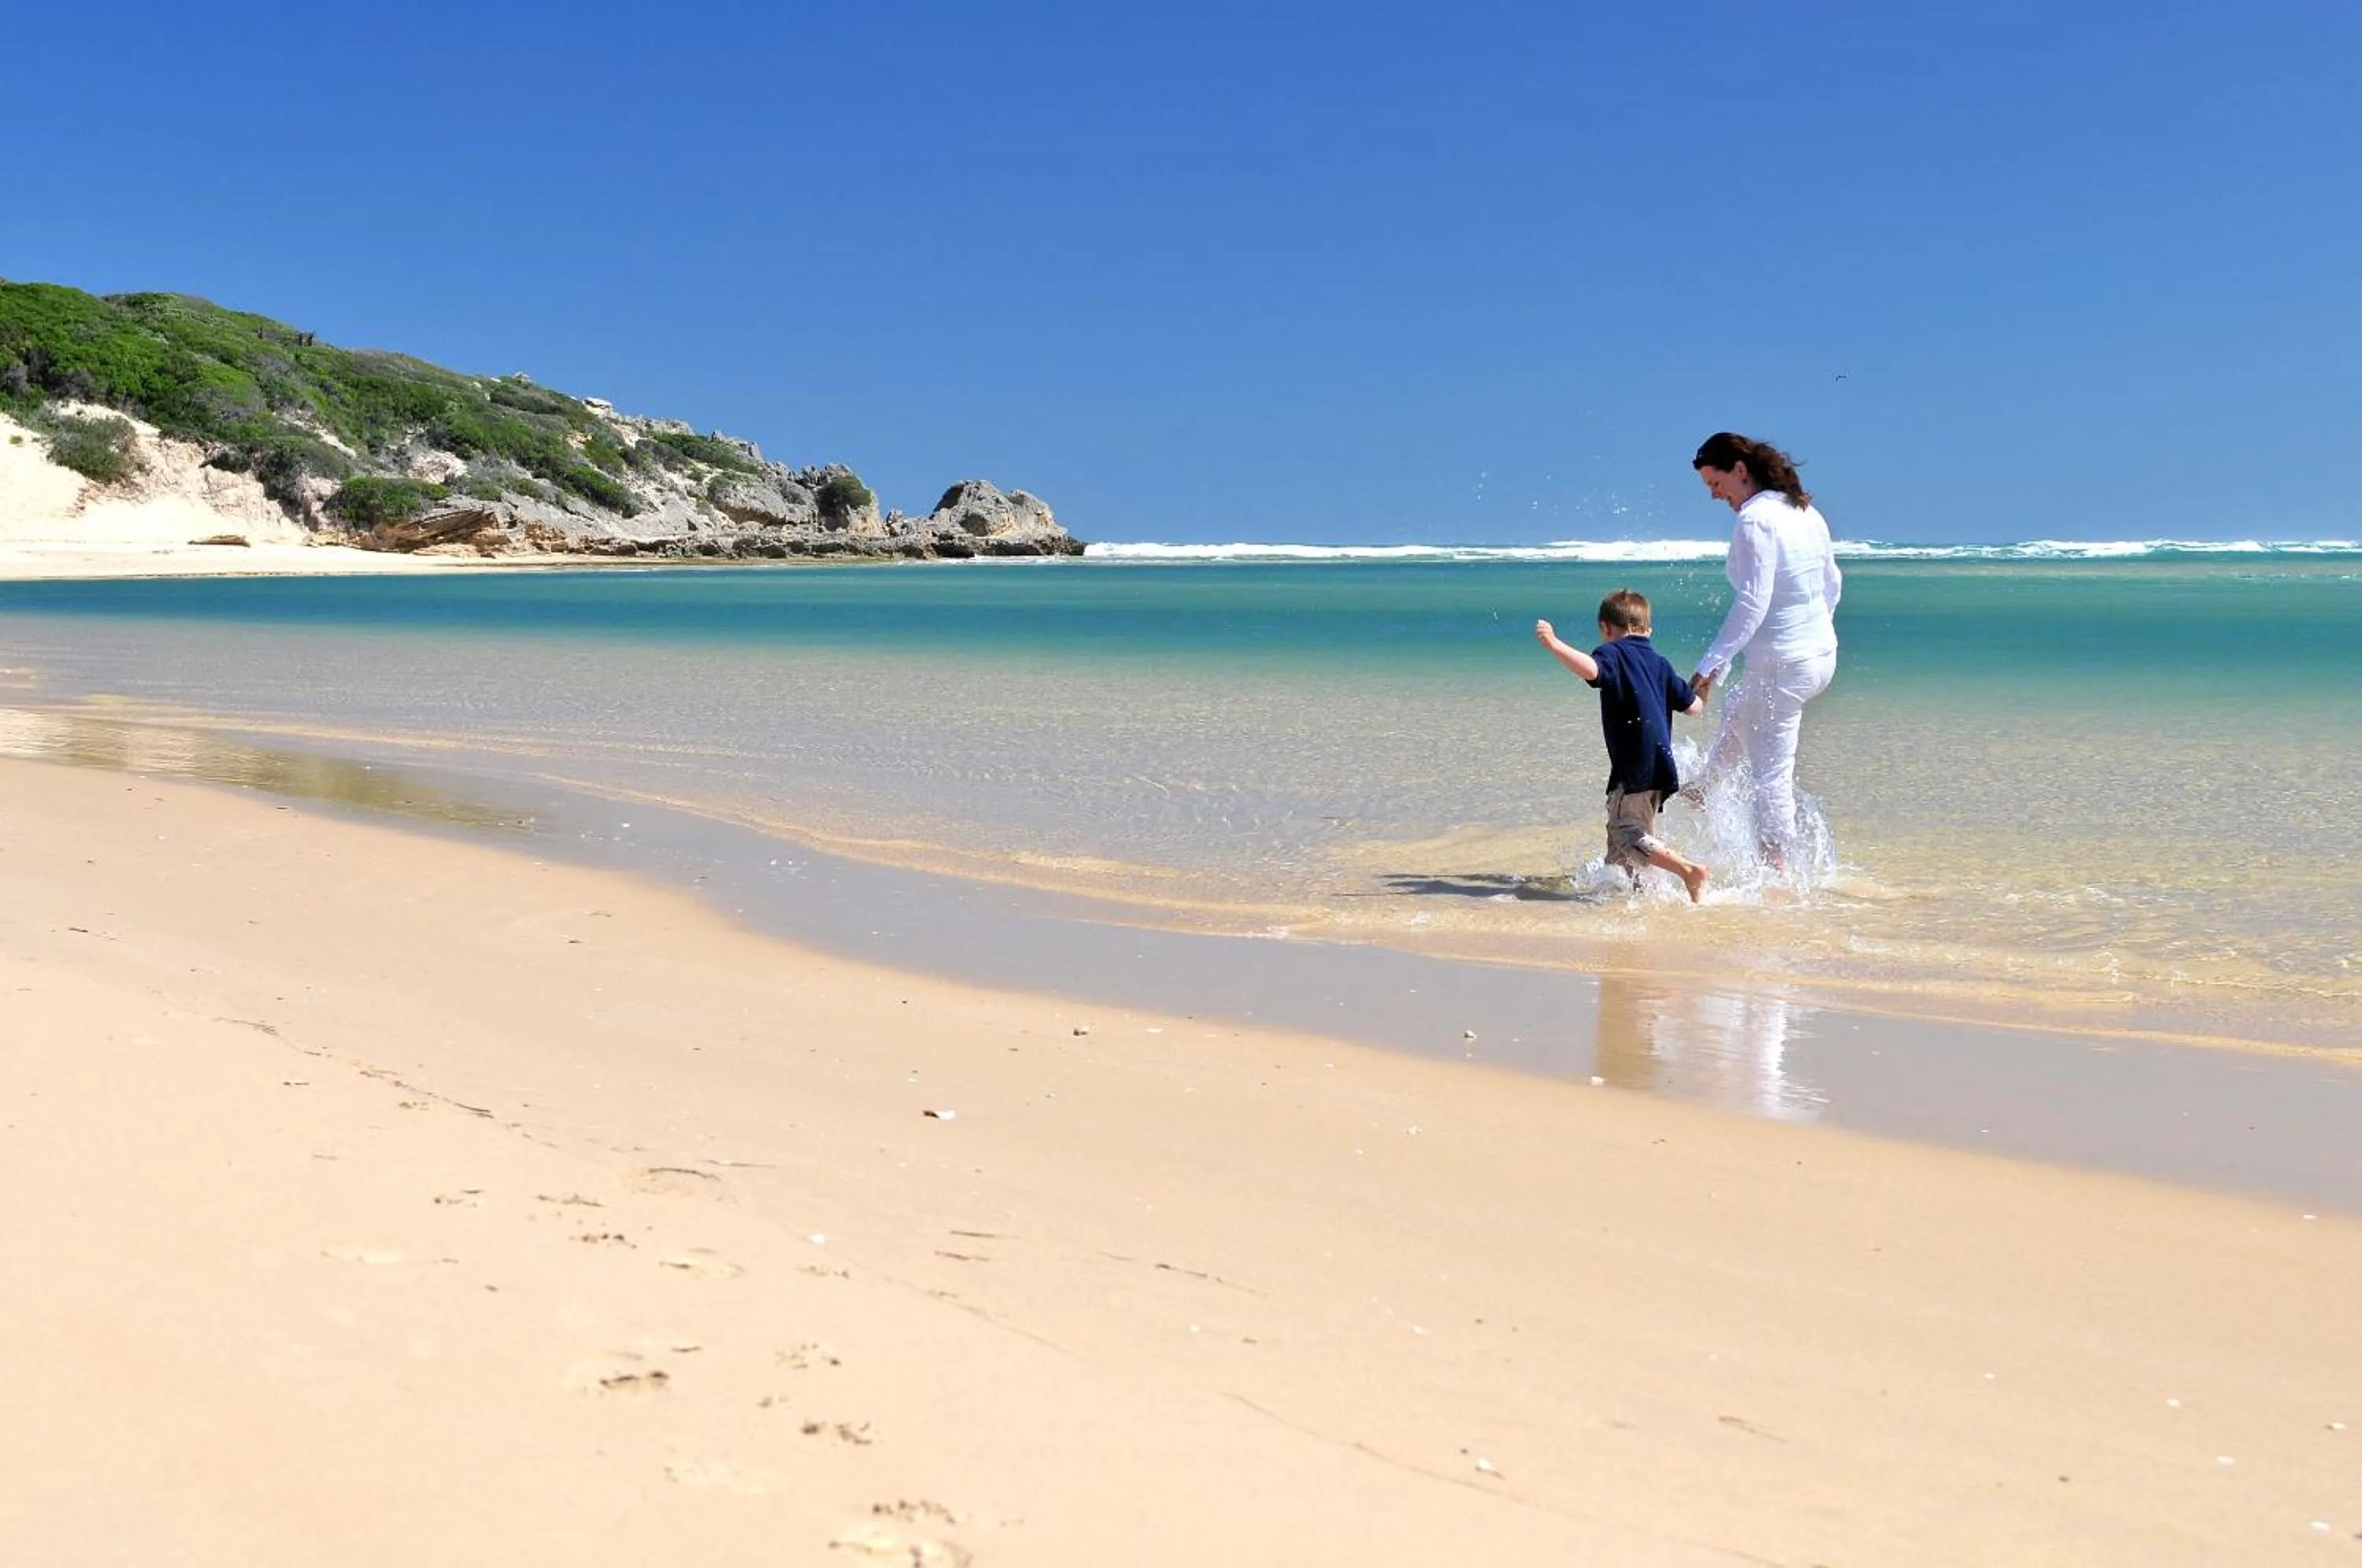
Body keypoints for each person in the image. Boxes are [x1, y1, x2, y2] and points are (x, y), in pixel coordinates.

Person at [1686, 431, 1843, 871]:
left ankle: (1778, 874)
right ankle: (1706, 785)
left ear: (1740, 471)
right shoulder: (1805, 510)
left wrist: (1710, 665)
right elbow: (1833, 582)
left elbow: (1753, 599)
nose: (1716, 496)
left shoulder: (1754, 520)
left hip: (1786, 665)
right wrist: (1813, 632)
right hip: (1820, 657)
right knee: (1742, 703)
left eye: (1716, 484)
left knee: (1771, 776)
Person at [1535, 589, 1710, 902]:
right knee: (1623, 842)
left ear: (1605, 628)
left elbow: (1592, 670)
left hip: (1635, 766)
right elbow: (1694, 708)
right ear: (1649, 630)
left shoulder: (1613, 653)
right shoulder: (1661, 663)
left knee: (1626, 833)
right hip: (1659, 766)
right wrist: (1703, 692)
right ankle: (1643, 894)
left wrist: (1554, 644)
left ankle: (1688, 871)